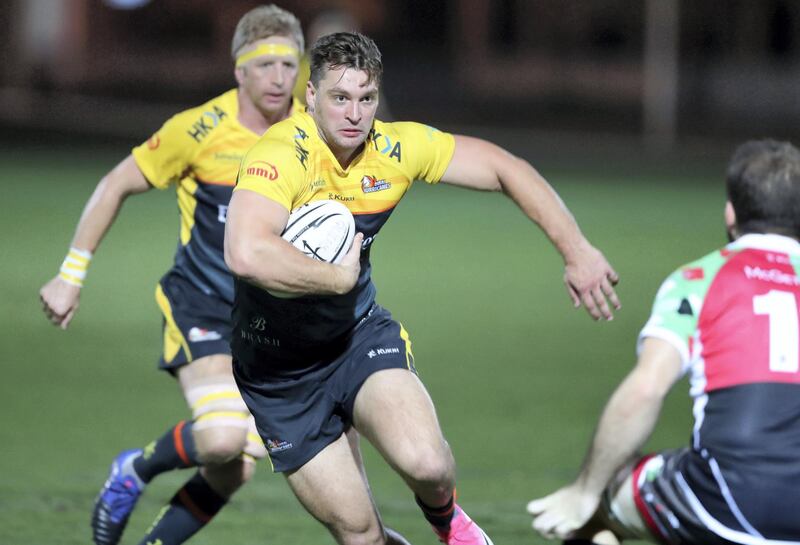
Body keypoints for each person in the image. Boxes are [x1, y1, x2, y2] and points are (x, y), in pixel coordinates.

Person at [225, 31, 620, 545]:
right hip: (278, 372)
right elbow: (245, 252)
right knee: (362, 535)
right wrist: (336, 277)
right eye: (339, 98)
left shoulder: (394, 148)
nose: (354, 113)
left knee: (429, 464)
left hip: (354, 338)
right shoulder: (281, 153)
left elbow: (504, 167)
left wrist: (577, 251)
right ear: (311, 98)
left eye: (366, 98)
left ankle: (450, 526)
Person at [39, 6, 306, 545]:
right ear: (238, 70)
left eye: (289, 64)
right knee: (225, 439)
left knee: (231, 466)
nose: (278, 77)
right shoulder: (199, 129)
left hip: (273, 322)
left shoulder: (311, 131)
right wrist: (71, 273)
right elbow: (115, 183)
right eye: (265, 64)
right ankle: (134, 470)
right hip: (202, 304)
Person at [528, 139, 800, 545]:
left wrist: (584, 491)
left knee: (604, 495)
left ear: (730, 211)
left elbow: (646, 390)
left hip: (726, 502)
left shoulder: (701, 279)